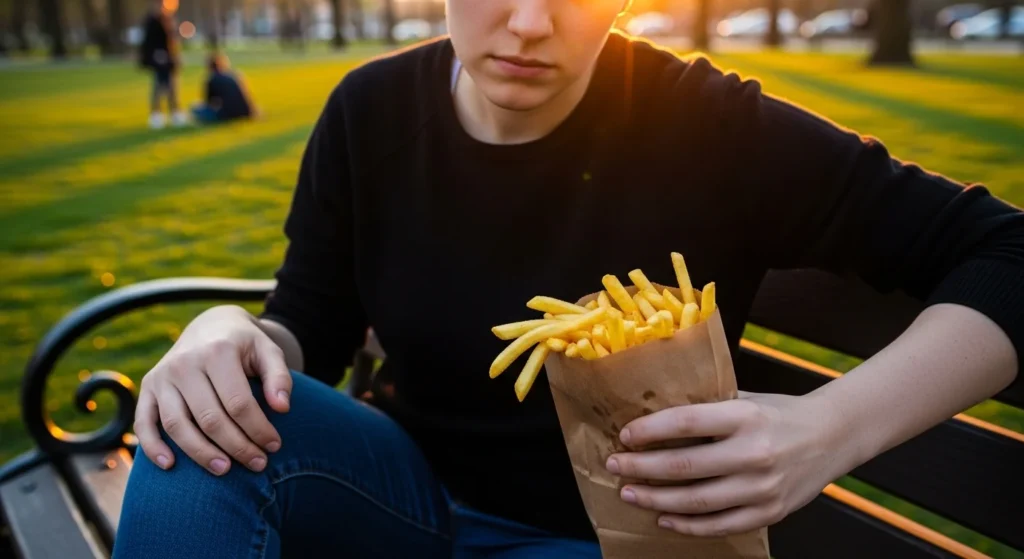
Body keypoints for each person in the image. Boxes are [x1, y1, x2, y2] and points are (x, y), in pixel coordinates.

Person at [113, 0, 1023, 557]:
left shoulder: (714, 128)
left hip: (601, 540)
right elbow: (307, 318)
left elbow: (1009, 255)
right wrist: (225, 332)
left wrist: (832, 426)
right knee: (192, 440)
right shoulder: (371, 110)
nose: (532, 22)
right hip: (396, 503)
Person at [139, 0, 186, 129]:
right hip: (160, 60)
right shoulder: (153, 21)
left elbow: (173, 41)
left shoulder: (168, 19)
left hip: (169, 59)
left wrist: (176, 56)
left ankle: (175, 112)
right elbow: (149, 43)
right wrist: (156, 56)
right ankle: (157, 114)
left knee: (172, 87)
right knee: (159, 86)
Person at [190, 53, 257, 125]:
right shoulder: (237, 75)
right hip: (246, 112)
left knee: (195, 107)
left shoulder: (212, 79)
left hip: (227, 115)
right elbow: (247, 95)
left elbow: (208, 102)